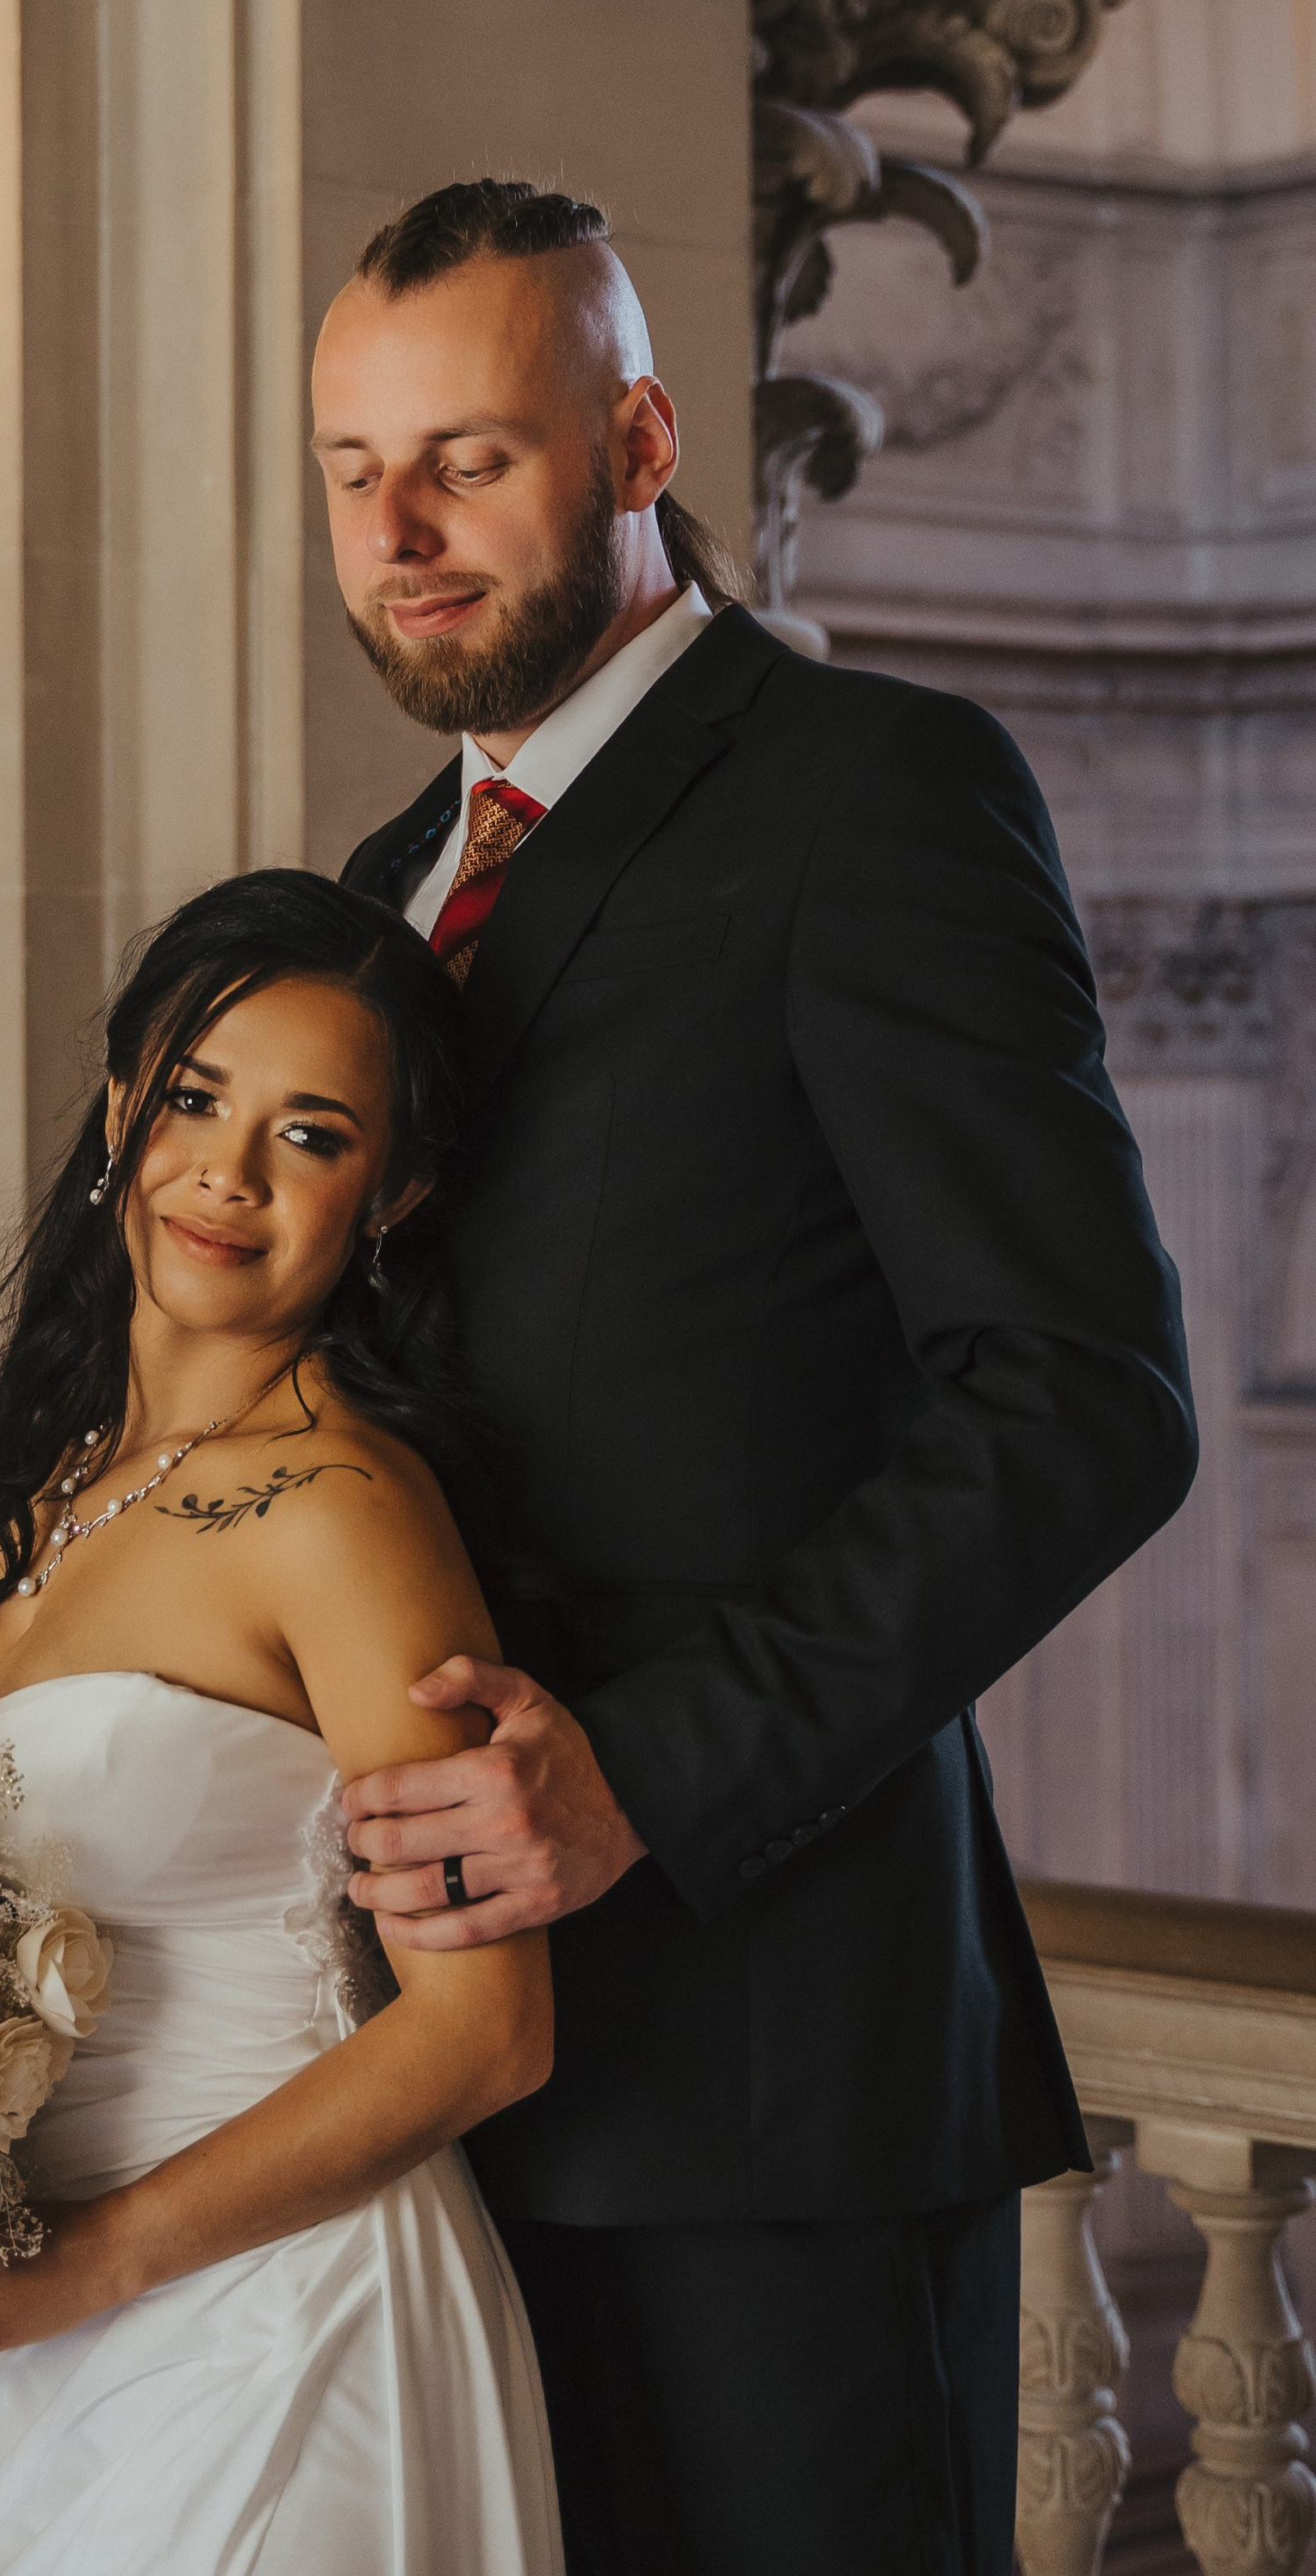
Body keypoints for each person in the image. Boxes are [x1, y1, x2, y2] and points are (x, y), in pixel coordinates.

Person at [313, 176, 1198, 2576]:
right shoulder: (380, 879)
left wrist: (644, 1782)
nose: (395, 530)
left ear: (638, 437)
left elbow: (1085, 1389)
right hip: (417, 2065)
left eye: (469, 461)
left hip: (761, 2070)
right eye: (347, 470)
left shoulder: (871, 796)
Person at [0, 868, 564, 2574]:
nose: (226, 1174)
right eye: (192, 1098)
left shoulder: (343, 1516)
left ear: (389, 1191)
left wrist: (88, 2262)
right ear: (122, 1111)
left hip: (286, 2321)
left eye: (309, 1136)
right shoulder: (30, 1490)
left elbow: (487, 2032)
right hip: (63, 2340)